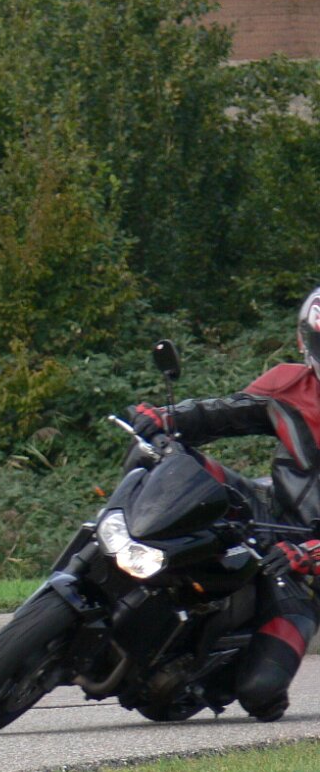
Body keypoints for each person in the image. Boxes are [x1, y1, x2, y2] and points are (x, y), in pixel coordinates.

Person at [128, 286, 320, 721]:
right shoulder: (289, 384)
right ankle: (117, 539)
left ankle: (212, 675)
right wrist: (166, 417)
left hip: (303, 574)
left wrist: (312, 553)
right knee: (165, 456)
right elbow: (224, 411)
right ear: (305, 342)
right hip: (267, 512)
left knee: (260, 694)